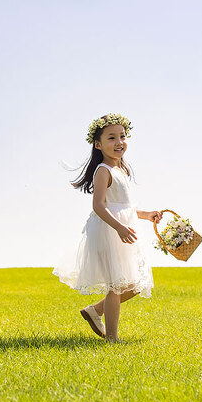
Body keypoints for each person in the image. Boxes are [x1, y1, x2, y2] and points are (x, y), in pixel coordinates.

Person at [52, 113, 161, 343]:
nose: (119, 142)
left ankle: (94, 311)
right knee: (116, 285)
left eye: (122, 136)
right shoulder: (103, 170)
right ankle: (112, 338)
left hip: (123, 228)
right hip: (108, 231)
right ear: (98, 144)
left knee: (135, 284)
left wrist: (146, 215)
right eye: (111, 138)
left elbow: (126, 206)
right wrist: (119, 228)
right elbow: (99, 206)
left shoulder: (122, 169)